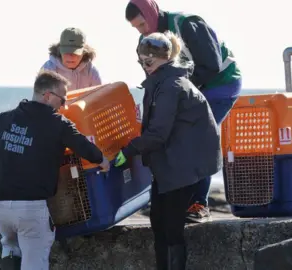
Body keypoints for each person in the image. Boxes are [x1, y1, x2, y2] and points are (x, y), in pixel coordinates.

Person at [0, 70, 110, 270]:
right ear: (47, 96)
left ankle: (10, 253)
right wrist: (103, 161)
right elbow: (82, 146)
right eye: (62, 99)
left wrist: (4, 169)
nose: (63, 105)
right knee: (34, 262)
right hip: (30, 208)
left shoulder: (6, 118)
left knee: (11, 247)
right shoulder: (57, 123)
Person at [125, 0, 242, 223]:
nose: (141, 30)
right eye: (136, 28)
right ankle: (178, 198)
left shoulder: (187, 24)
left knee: (200, 136)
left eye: (142, 24)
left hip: (220, 84)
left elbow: (211, 65)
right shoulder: (145, 41)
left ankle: (199, 204)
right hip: (184, 89)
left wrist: (178, 90)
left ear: (152, 13)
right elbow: (155, 79)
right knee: (172, 135)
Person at [114, 32, 222, 269]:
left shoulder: (171, 86)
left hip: (182, 165)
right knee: (159, 223)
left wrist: (129, 150)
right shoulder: (161, 81)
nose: (144, 66)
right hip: (172, 163)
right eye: (141, 62)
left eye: (147, 62)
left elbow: (158, 134)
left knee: (170, 228)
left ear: (161, 59)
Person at [40, 27, 102, 91]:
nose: (70, 56)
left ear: (84, 52)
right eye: (66, 51)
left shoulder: (91, 71)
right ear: (59, 50)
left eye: (75, 52)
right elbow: (42, 98)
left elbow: (99, 97)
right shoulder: (48, 70)